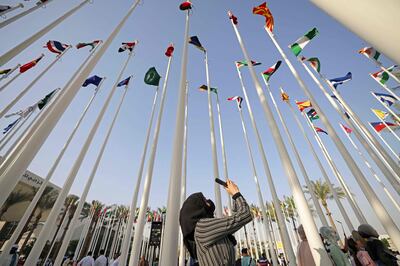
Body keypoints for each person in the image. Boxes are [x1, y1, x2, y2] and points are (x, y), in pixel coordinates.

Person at [180, 179, 252, 266]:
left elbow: (236, 219)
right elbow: (245, 215)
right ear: (198, 207)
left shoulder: (206, 227)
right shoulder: (202, 227)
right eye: (204, 199)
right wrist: (236, 193)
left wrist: (233, 197)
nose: (208, 200)